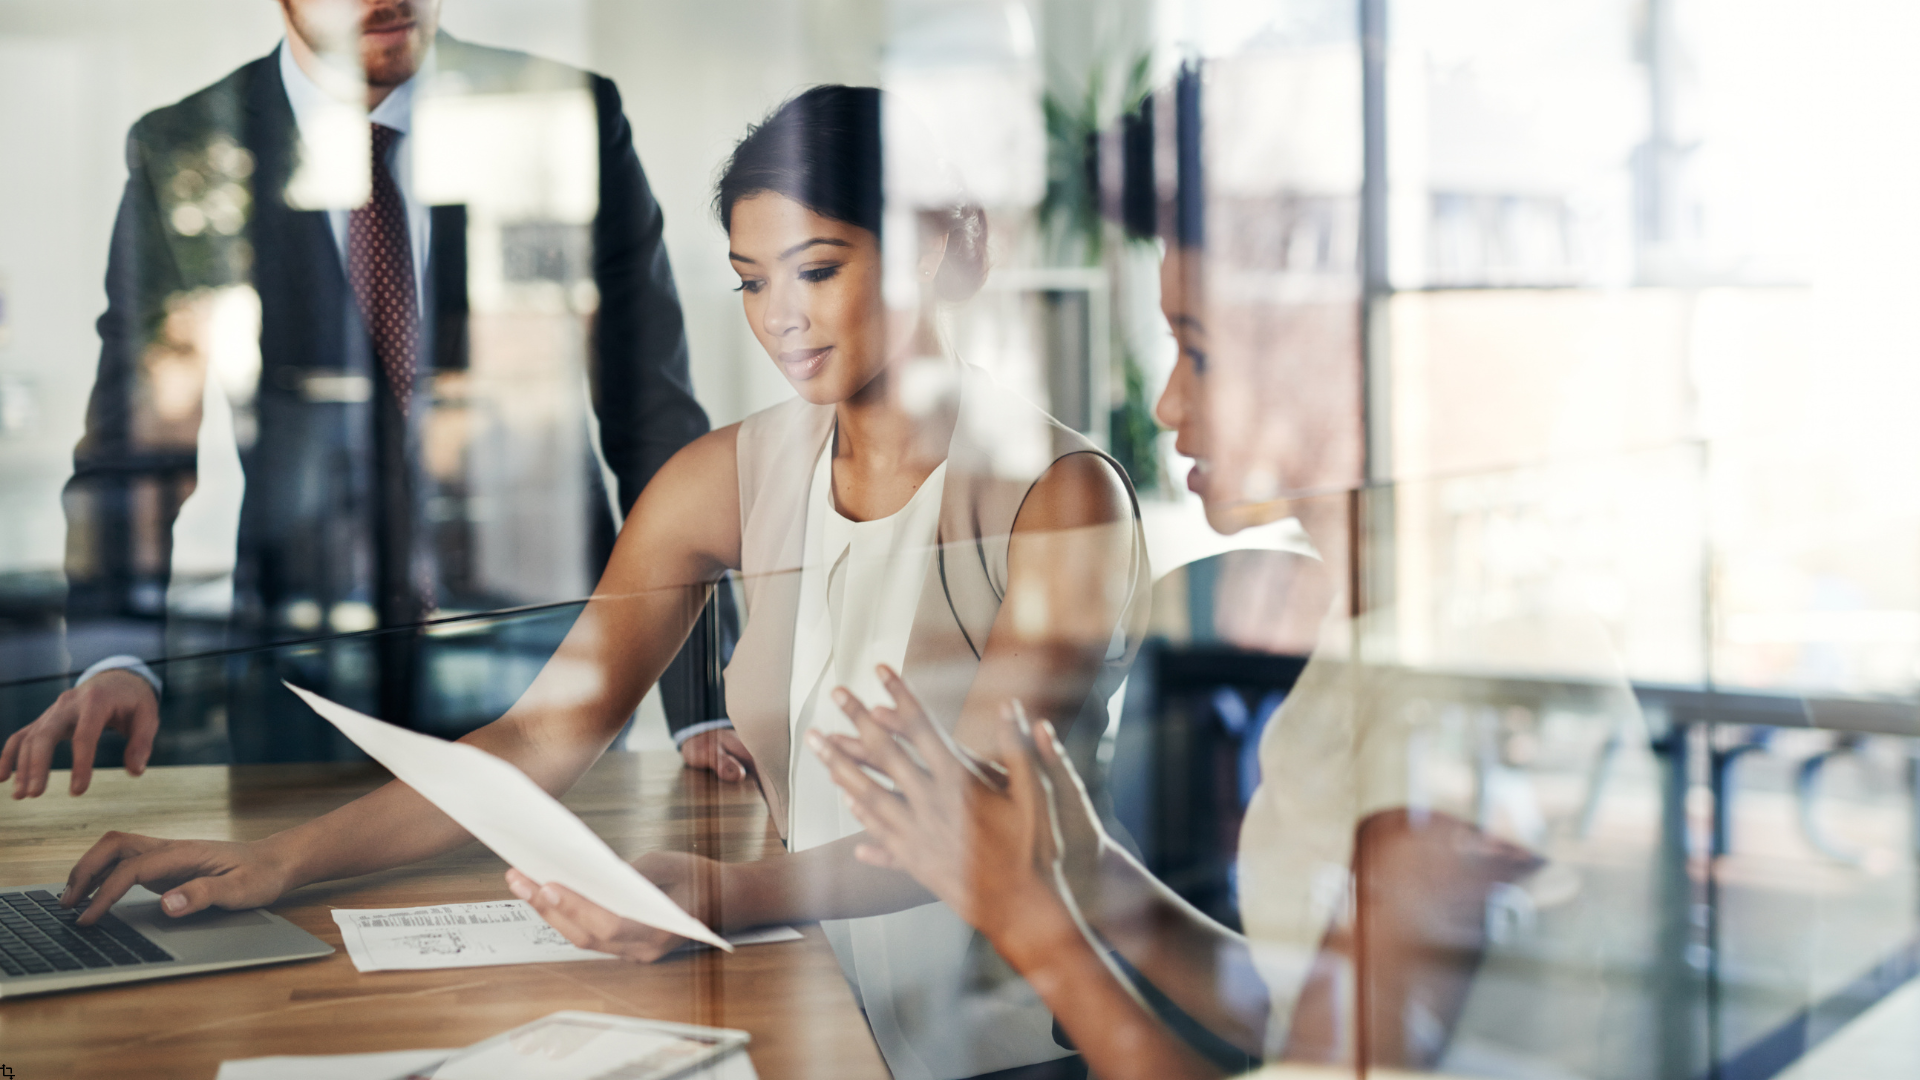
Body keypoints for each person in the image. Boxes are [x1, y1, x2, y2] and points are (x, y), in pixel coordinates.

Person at [58, 85, 1149, 1080]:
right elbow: (539, 739)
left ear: (949, 249)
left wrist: (729, 894)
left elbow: (988, 825)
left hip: (1015, 1043)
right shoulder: (724, 477)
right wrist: (279, 861)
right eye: (750, 281)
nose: (780, 316)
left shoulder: (1060, 497)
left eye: (818, 269)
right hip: (814, 1007)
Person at [807, 97, 1559, 1076]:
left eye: (1198, 349)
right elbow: (1301, 1015)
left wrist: (1029, 921)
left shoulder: (1444, 712)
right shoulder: (1364, 643)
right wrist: (1095, 877)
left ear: (1353, 352)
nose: (1164, 402)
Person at [0, 0, 727, 797]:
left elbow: (652, 416)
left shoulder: (563, 114)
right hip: (302, 670)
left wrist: (706, 697)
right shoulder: (190, 146)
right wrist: (119, 651)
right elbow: (138, 436)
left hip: (538, 659)